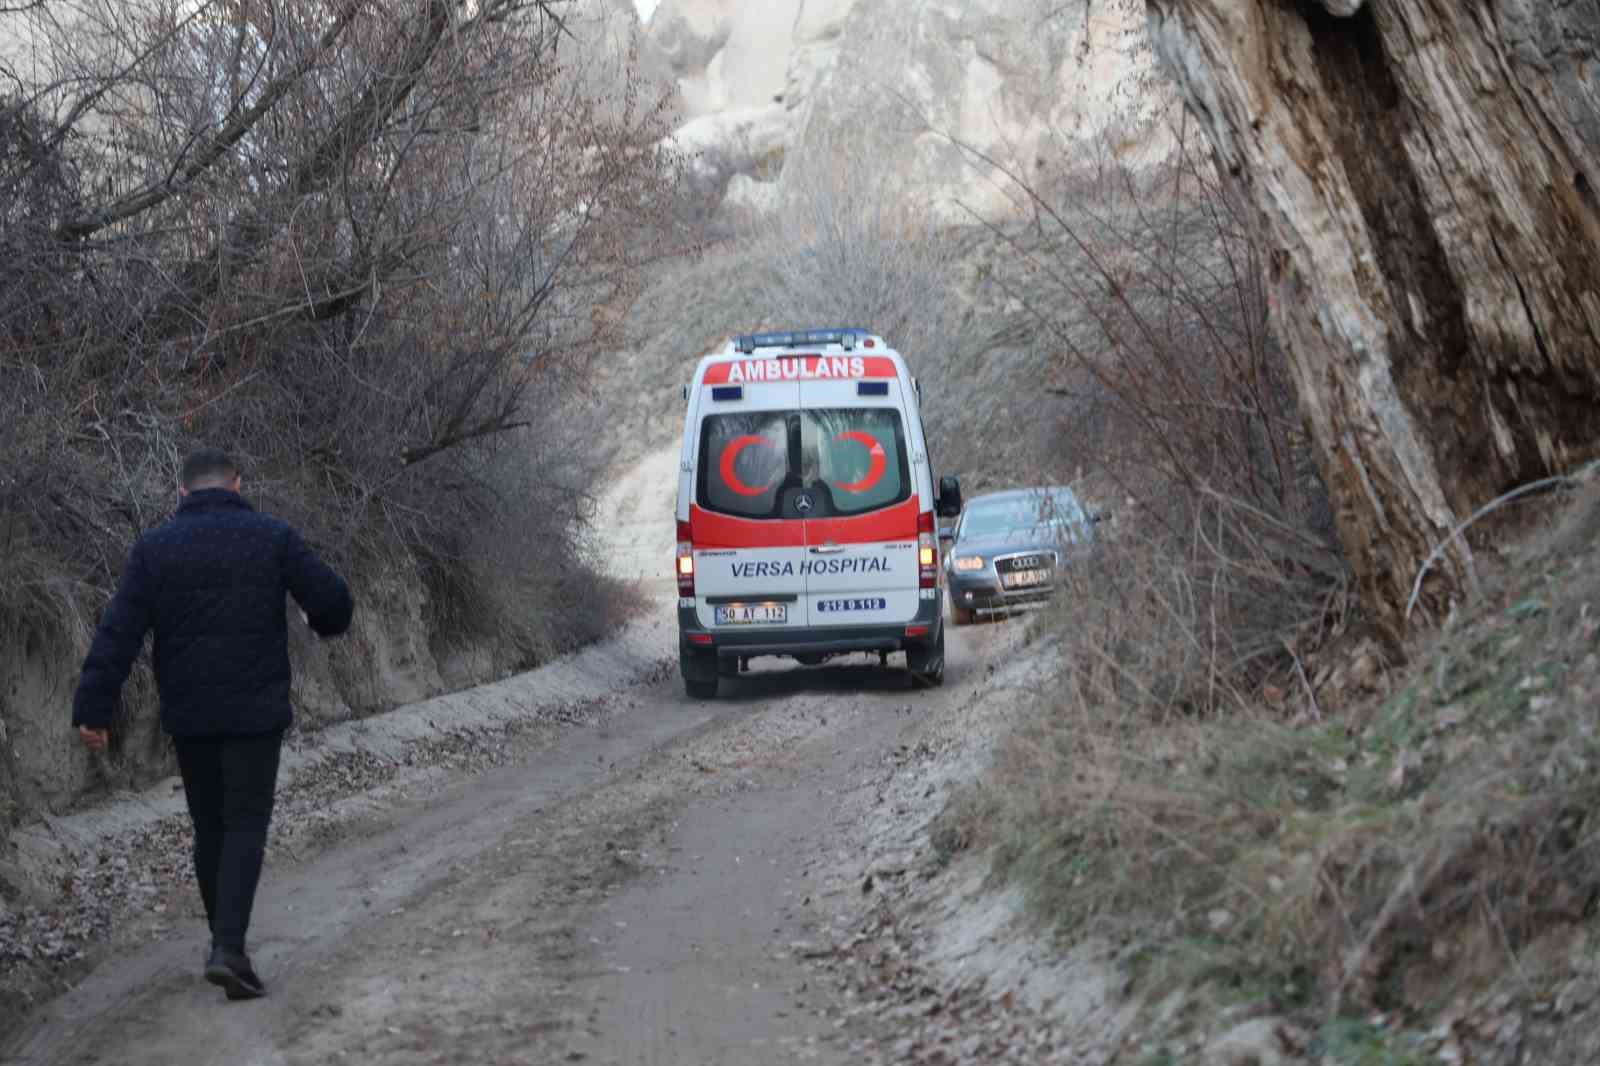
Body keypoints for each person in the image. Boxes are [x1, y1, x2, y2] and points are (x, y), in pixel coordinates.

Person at [71, 448, 353, 1001]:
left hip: (192, 715)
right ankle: (228, 949)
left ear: (181, 493)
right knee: (246, 823)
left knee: (211, 828)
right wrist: (321, 620)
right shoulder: (271, 536)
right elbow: (334, 604)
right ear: (238, 485)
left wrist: (93, 706)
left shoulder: (155, 549)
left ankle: (225, 944)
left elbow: (117, 633)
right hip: (254, 714)